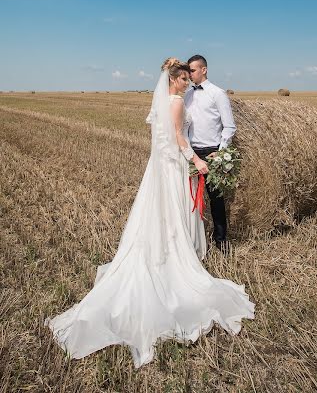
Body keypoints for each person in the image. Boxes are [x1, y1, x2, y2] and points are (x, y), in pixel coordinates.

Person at [44, 58, 254, 368]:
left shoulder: (163, 103)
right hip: (176, 164)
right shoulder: (178, 102)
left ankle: (165, 250)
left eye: (188, 77)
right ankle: (174, 257)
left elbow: (159, 132)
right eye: (183, 78)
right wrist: (194, 162)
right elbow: (180, 138)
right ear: (174, 80)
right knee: (175, 213)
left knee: (160, 214)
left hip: (160, 166)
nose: (186, 82)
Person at [184, 55, 236, 252]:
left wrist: (220, 152)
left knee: (216, 198)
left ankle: (221, 239)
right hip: (191, 153)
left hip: (212, 152)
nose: (189, 75)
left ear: (203, 70)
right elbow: (185, 127)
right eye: (188, 71)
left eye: (193, 70)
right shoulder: (187, 95)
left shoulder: (218, 94)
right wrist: (188, 153)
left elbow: (229, 126)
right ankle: (194, 239)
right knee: (190, 198)